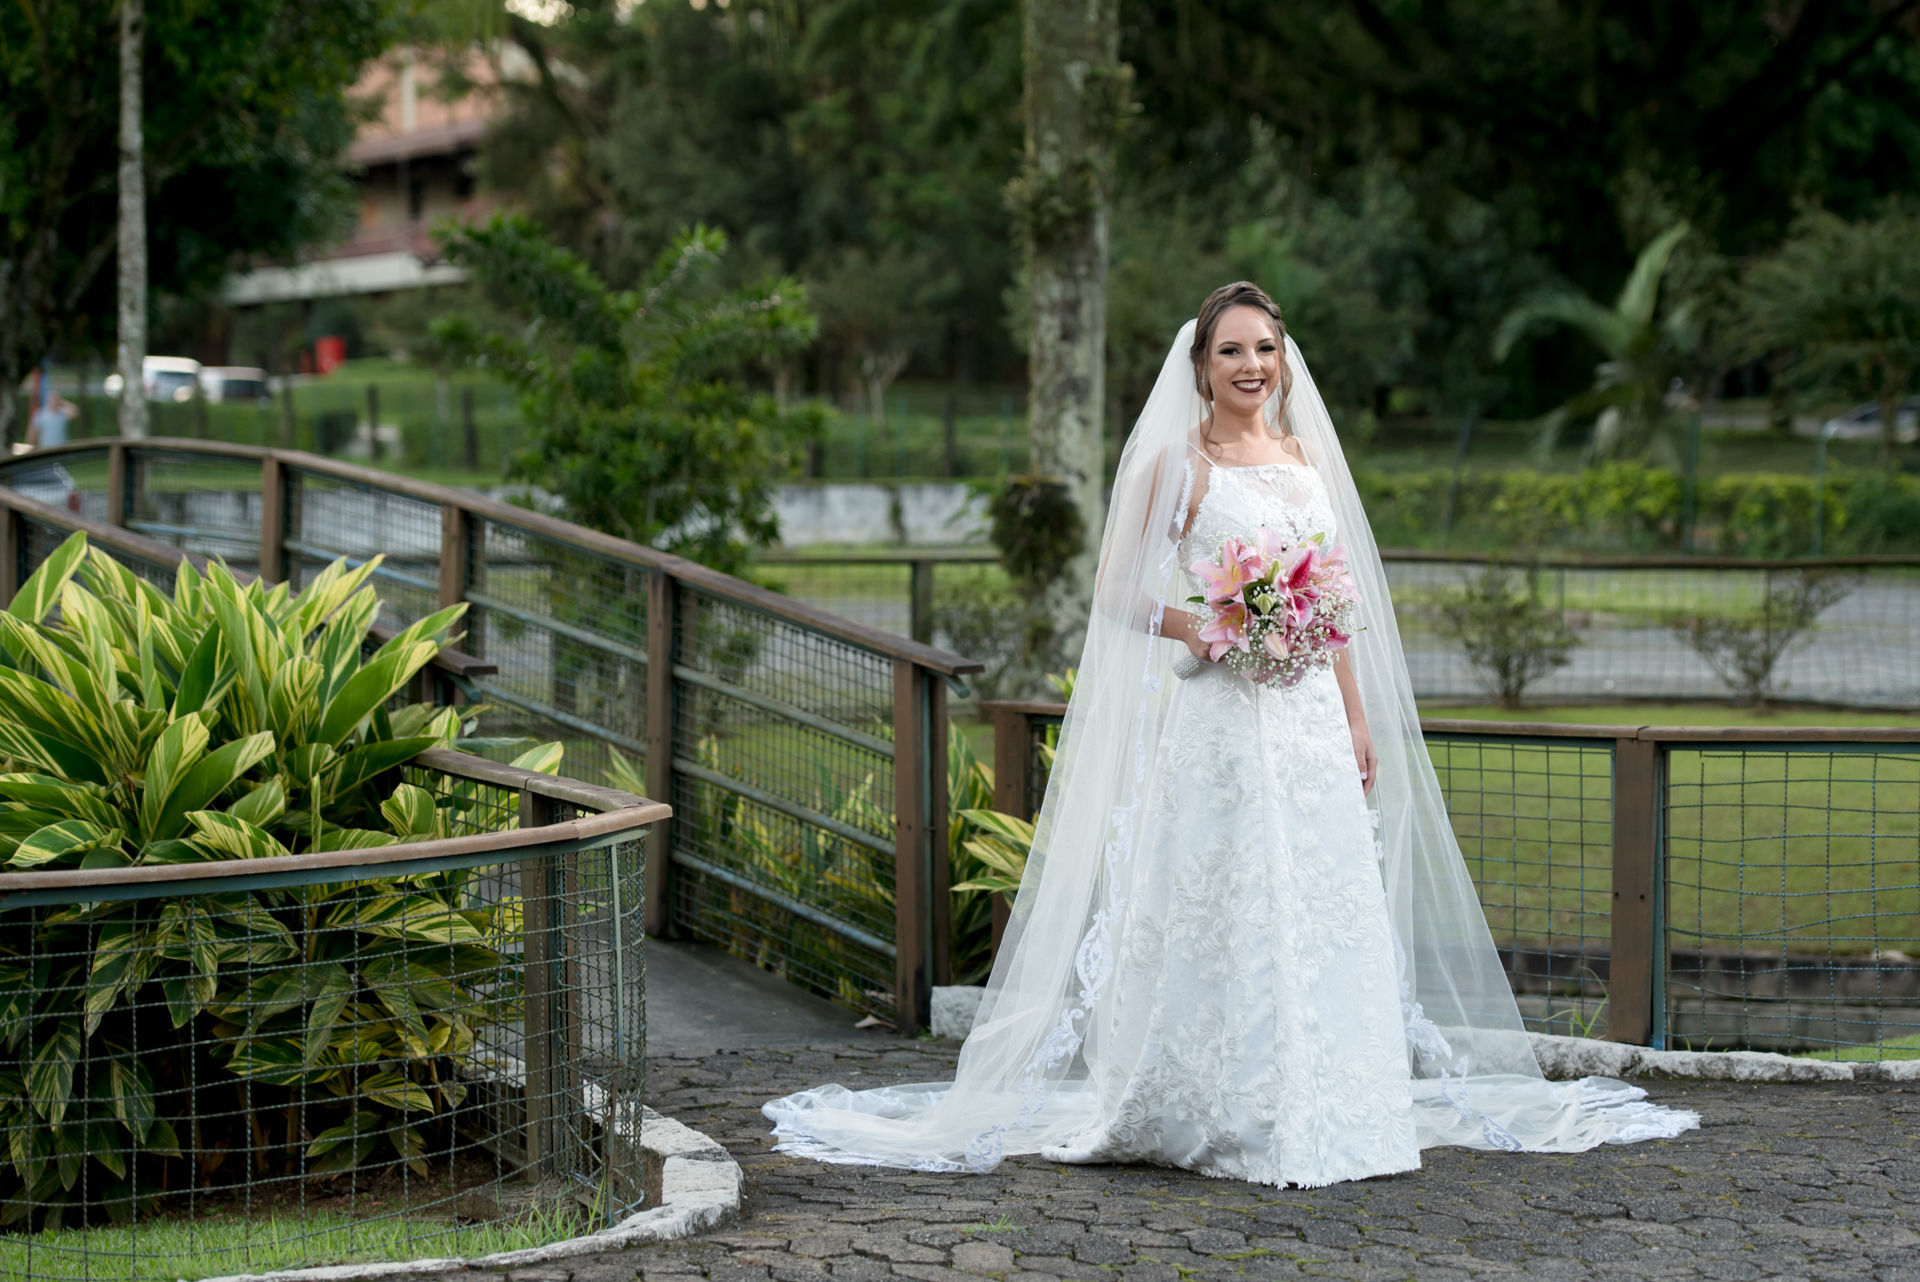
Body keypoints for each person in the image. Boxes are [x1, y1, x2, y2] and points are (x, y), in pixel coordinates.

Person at [765, 282, 1698, 1187]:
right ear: (1200, 366)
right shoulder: (1182, 464)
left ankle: (1336, 1103)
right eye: (1231, 350)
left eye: (1265, 348)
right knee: (1226, 901)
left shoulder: (1305, 457)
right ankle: (1216, 1105)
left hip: (1310, 725)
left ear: (1283, 359)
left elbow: (1332, 602)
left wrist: (1357, 716)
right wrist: (1210, 627)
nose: (1252, 365)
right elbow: (1116, 591)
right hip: (1220, 722)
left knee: (1321, 900)